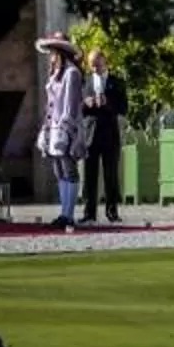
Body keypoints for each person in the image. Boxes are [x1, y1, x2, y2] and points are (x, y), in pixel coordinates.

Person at [36, 32, 86, 232]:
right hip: (53, 126)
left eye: (53, 52)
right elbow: (51, 104)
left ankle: (69, 215)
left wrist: (65, 128)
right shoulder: (55, 73)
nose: (50, 55)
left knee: (69, 170)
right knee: (59, 171)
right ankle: (64, 213)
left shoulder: (71, 73)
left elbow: (70, 104)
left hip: (65, 128)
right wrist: (46, 128)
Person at [79, 46, 131, 226]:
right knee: (89, 176)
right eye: (92, 66)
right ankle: (89, 213)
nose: (95, 69)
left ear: (105, 63)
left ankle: (112, 211)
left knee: (111, 175)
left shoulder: (116, 82)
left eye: (98, 66)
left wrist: (107, 103)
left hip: (109, 134)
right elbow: (78, 108)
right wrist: (86, 103)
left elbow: (123, 108)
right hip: (90, 134)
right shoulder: (85, 82)